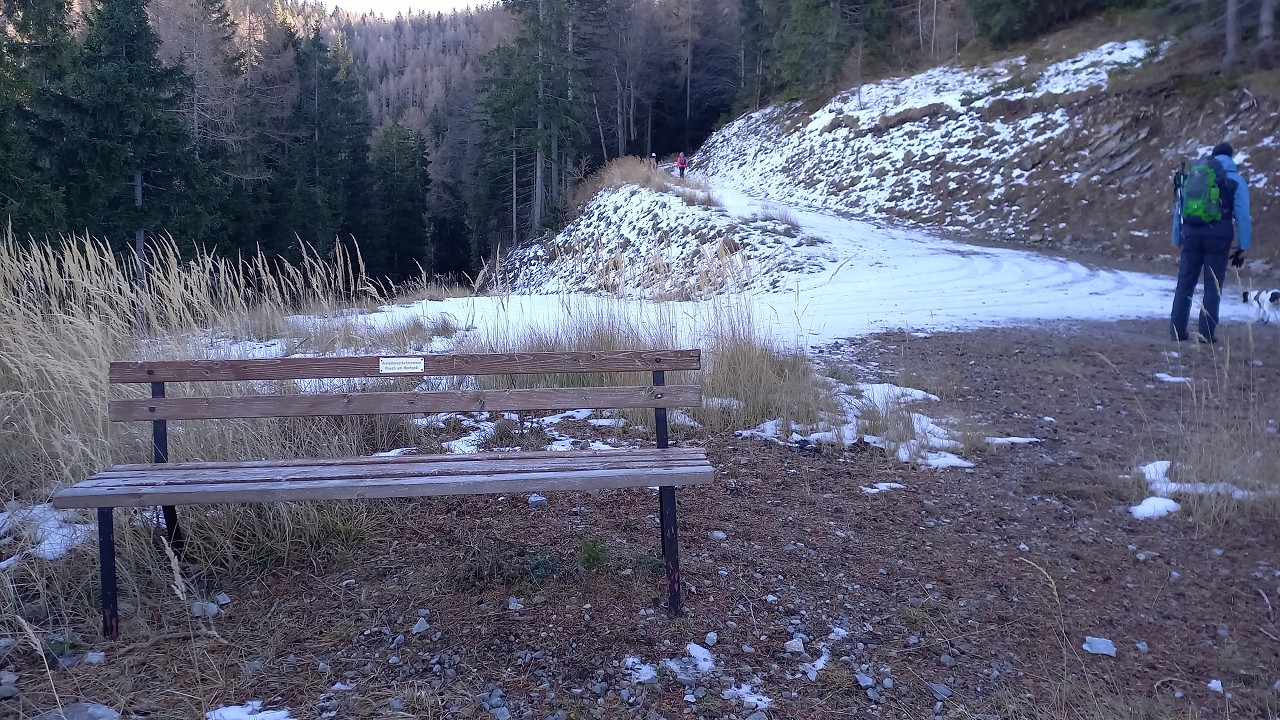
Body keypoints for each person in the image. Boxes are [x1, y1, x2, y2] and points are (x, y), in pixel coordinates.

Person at [1170, 142, 1252, 343]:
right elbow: (1242, 215)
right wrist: (1244, 245)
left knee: (1185, 282)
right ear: (1231, 157)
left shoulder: (1196, 176)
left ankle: (1177, 331)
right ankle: (1206, 333)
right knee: (1213, 285)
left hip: (1191, 235)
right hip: (1219, 238)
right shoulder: (1236, 180)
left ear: (1213, 156)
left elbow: (1180, 207)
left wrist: (1176, 237)